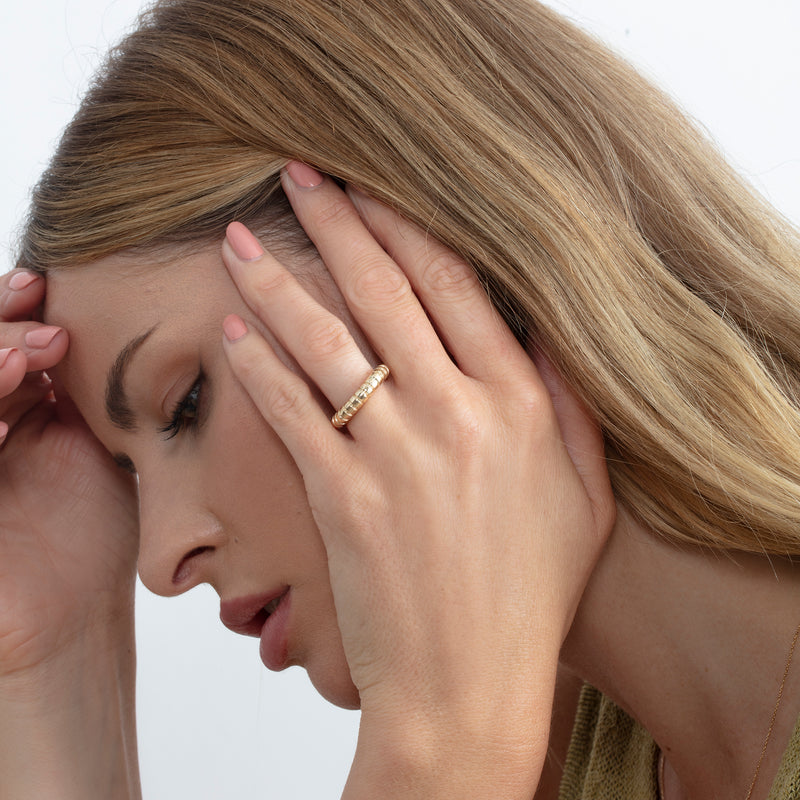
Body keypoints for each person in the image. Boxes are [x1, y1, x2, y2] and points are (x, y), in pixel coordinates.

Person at [1, 0, 798, 797]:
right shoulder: (537, 748)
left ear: (432, 239)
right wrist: (57, 663)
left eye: (186, 402)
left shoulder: (485, 742)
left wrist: (440, 749)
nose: (158, 562)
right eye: (129, 471)